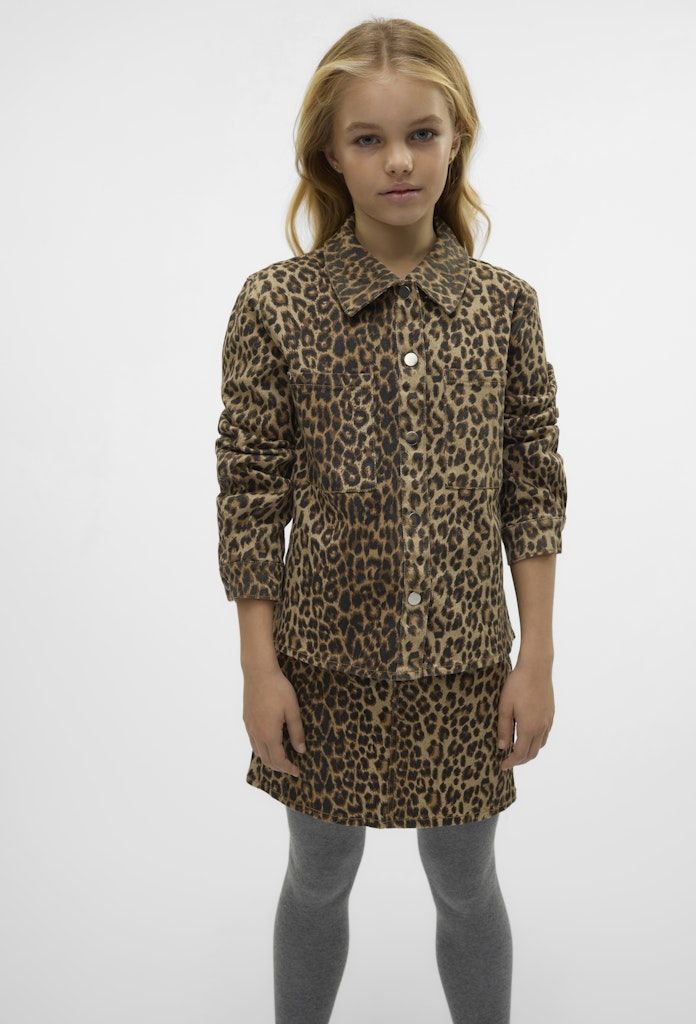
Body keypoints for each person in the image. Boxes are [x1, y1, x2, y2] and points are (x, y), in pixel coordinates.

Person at [214, 17, 567, 1024]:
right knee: (317, 874)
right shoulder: (277, 307)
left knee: (466, 882)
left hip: (466, 668)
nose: (399, 161)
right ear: (330, 153)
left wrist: (536, 657)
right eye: (368, 139)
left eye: (421, 134)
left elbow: (533, 490)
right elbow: (250, 495)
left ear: (458, 140)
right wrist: (260, 669)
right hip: (323, 667)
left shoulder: (504, 309)